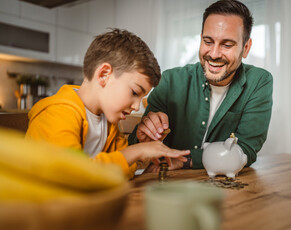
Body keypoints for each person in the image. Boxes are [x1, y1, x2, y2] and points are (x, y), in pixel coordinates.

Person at [128, 0, 273, 171]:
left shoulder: (259, 82)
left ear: (246, 48)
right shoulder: (169, 80)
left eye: (227, 45)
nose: (213, 54)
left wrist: (185, 160)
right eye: (208, 41)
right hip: (170, 186)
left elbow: (245, 150)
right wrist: (145, 137)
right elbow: (140, 147)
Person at [25, 29, 190, 179]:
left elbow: (121, 170)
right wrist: (137, 151)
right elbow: (71, 173)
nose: (137, 107)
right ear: (104, 74)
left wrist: (142, 149)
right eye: (134, 92)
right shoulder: (57, 114)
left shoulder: (109, 122)